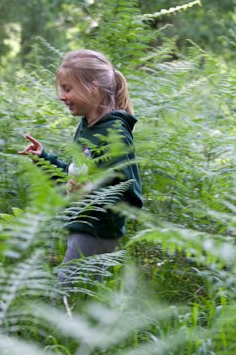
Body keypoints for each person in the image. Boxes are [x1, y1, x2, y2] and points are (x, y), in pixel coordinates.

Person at [18, 49, 143, 287]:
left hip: (98, 230)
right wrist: (44, 158)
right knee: (78, 296)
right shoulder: (87, 127)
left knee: (65, 292)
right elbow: (76, 177)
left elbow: (131, 193)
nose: (61, 96)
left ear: (93, 89)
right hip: (81, 225)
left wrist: (92, 191)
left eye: (68, 88)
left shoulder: (114, 132)